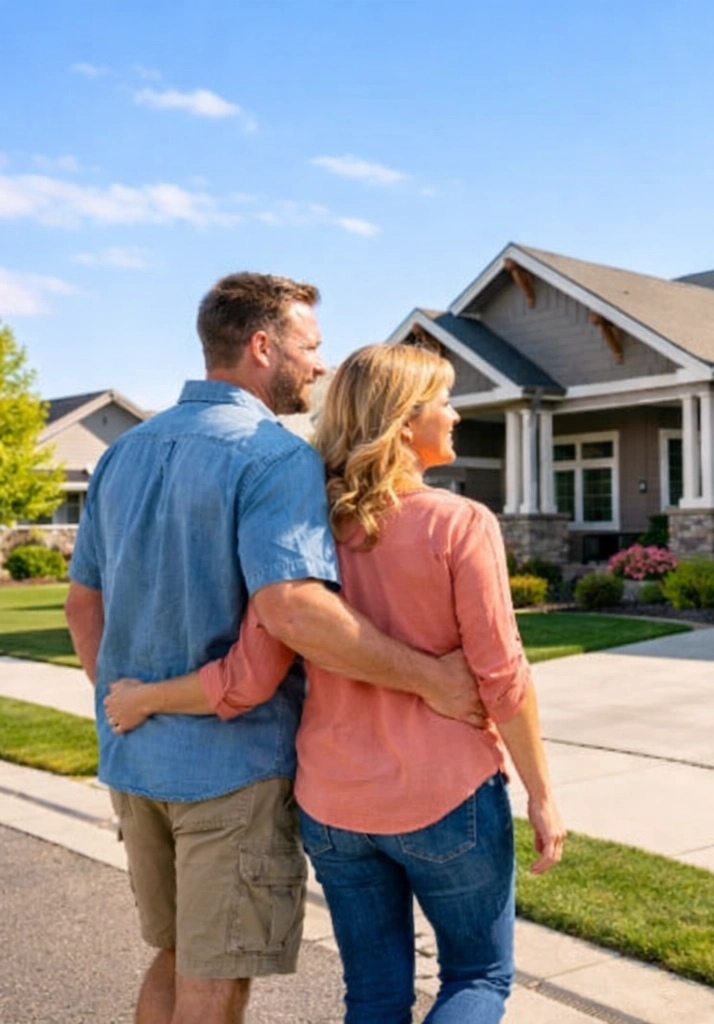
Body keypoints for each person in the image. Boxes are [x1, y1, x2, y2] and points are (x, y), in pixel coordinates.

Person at [64, 273, 482, 1024]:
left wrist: (120, 702)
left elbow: (82, 602)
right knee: (215, 977)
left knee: (174, 955)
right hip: (231, 771)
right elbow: (294, 609)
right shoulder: (271, 456)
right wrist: (430, 679)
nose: (319, 365)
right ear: (263, 346)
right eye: (309, 346)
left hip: (135, 760)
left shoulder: (123, 453)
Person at [105, 342, 566, 1023]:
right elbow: (503, 677)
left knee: (375, 995)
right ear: (405, 421)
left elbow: (250, 673)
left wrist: (144, 697)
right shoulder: (460, 523)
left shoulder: (302, 529)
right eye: (444, 400)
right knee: (477, 977)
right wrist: (542, 795)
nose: (456, 414)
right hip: (446, 798)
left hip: (333, 808)